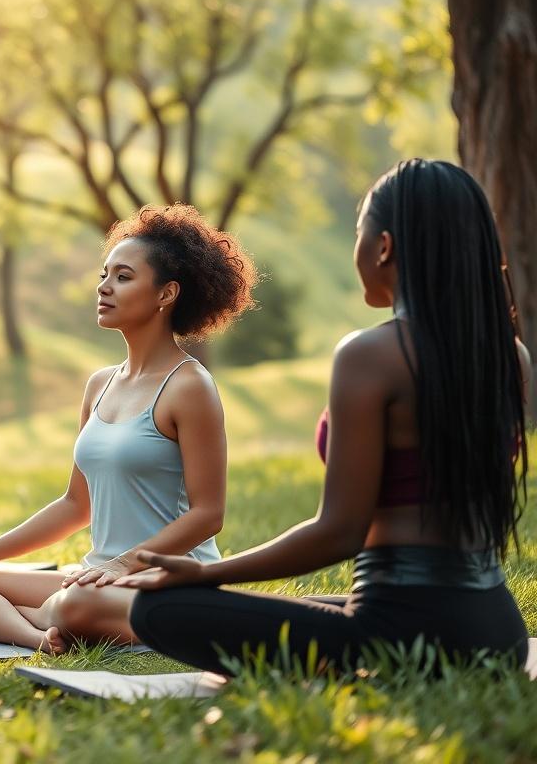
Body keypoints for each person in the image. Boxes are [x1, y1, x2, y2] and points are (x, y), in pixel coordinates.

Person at [118, 159, 531, 674]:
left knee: (159, 608)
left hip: (399, 637)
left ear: (383, 247)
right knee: (292, 610)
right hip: (496, 630)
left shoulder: (370, 356)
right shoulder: (512, 356)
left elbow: (339, 532)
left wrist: (207, 574)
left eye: (359, 233)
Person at [0, 204, 256, 653]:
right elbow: (76, 504)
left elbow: (208, 514)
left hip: (163, 582)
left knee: (76, 603)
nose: (104, 287)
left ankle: (41, 616)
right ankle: (37, 636)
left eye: (123, 277)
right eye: (104, 274)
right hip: (95, 580)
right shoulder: (100, 385)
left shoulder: (190, 386)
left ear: (166, 294)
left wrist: (123, 565)